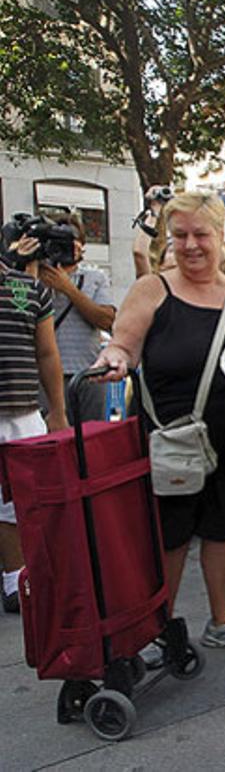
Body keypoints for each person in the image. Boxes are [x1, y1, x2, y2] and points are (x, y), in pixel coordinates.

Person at [94, 192, 225, 659]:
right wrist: (113, 357)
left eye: (201, 234)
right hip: (170, 439)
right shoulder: (154, 289)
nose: (191, 245)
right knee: (167, 539)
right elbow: (124, 344)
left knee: (224, 530)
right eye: (180, 236)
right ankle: (156, 628)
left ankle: (222, 621)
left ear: (220, 235)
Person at [0, 253, 67, 613]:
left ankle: (20, 579)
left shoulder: (30, 288)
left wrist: (57, 411)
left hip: (23, 411)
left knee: (23, 500)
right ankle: (14, 578)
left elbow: (47, 352)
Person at [35, 214, 115, 423]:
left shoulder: (95, 276)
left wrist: (68, 289)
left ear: (82, 246)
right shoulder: (34, 276)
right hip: (46, 377)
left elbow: (107, 320)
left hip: (88, 374)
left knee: (89, 439)